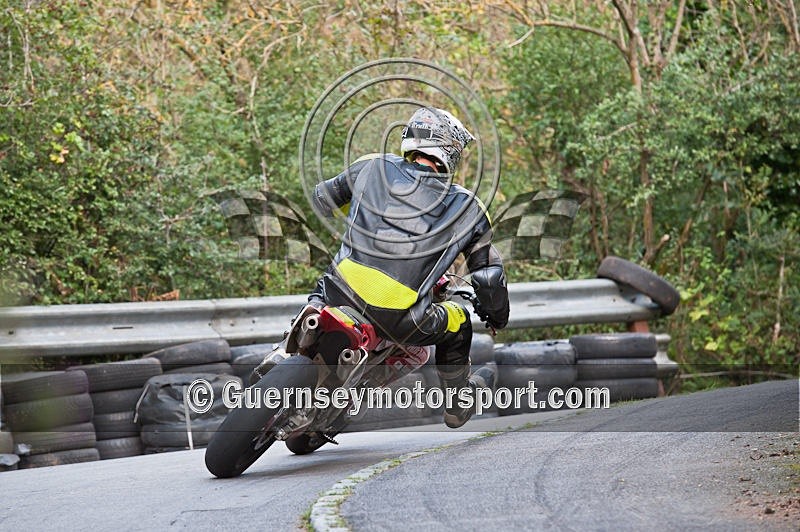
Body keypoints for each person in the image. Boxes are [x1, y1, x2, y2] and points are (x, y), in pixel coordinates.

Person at [261, 107, 510, 428]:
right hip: (401, 319)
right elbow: (489, 278)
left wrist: (362, 208)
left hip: (338, 292)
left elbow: (322, 197)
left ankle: (283, 353)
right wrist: (496, 316)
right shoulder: (468, 207)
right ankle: (458, 405)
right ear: (448, 150)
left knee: (320, 292)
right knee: (458, 322)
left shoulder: (372, 165)